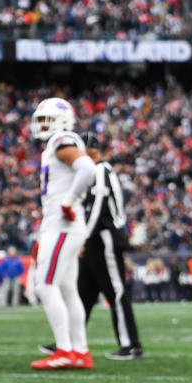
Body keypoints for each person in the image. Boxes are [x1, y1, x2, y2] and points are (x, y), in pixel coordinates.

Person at [41, 132, 143, 360]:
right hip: (92, 238)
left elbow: (97, 207)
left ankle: (131, 344)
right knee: (83, 292)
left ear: (91, 151)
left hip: (103, 237)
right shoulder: (92, 171)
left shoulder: (100, 170)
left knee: (115, 291)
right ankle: (67, 343)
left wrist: (83, 238)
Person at [27, 98, 97, 370]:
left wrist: (68, 200)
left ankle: (65, 350)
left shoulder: (61, 140)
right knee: (67, 289)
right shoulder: (55, 144)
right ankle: (80, 351)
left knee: (44, 285)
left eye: (47, 120)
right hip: (64, 226)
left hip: (62, 225)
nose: (42, 126)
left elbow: (87, 168)